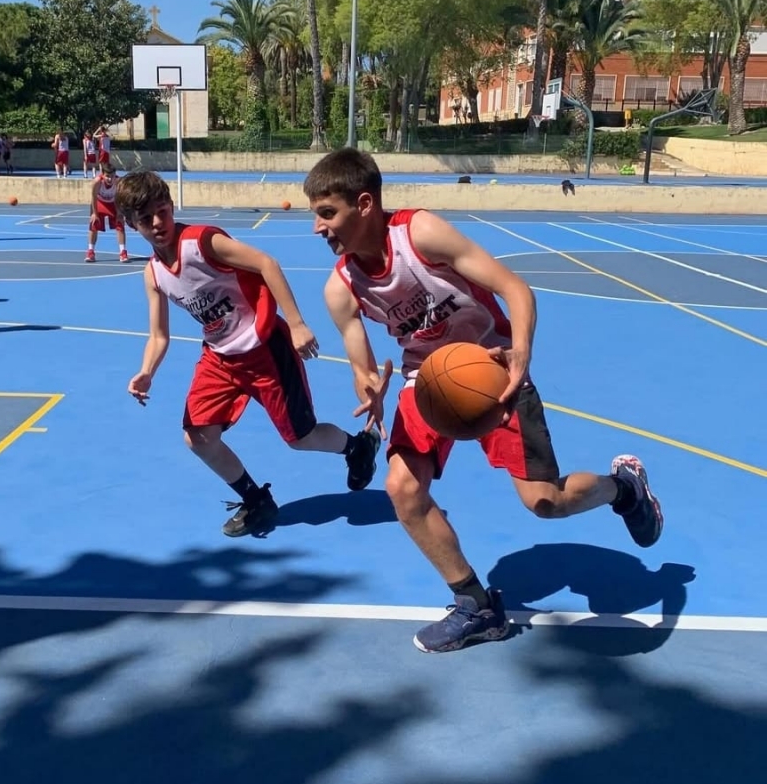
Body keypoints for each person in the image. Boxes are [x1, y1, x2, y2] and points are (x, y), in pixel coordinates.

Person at [303, 148, 663, 653]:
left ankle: (623, 488)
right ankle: (477, 606)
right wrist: (371, 389)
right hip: (425, 381)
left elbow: (515, 289)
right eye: (314, 215)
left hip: (490, 368)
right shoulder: (341, 289)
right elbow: (362, 365)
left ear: (364, 204)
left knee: (545, 502)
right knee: (402, 489)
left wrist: (520, 352)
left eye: (326, 213)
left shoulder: (420, 233)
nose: (318, 228)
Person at [115, 169, 381, 538]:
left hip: (264, 349)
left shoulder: (202, 242)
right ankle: (255, 499)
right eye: (146, 219)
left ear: (172, 206)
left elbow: (265, 263)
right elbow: (159, 335)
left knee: (299, 439)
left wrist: (298, 323)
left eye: (163, 211)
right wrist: (146, 372)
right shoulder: (154, 274)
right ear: (131, 224)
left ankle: (356, 446)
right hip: (219, 357)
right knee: (197, 437)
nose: (158, 223)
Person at [86, 163, 129, 263]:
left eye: (112, 176)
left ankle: (123, 252)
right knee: (94, 224)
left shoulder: (119, 183)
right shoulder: (97, 182)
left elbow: (120, 198)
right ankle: (90, 251)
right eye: (107, 176)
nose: (110, 179)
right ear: (103, 175)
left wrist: (119, 213)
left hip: (113, 203)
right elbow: (93, 197)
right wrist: (94, 213)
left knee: (120, 225)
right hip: (100, 202)